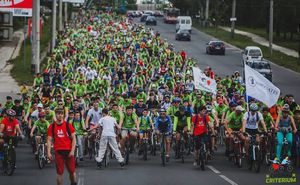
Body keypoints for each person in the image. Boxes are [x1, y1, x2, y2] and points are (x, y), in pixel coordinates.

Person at [47, 108, 77, 185]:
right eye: (58, 114)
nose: (60, 115)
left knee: (72, 171)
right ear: (55, 115)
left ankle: (73, 183)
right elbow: (49, 140)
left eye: (61, 114)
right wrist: (48, 153)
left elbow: (74, 138)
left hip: (69, 151)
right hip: (58, 152)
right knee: (59, 173)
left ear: (63, 115)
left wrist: (72, 151)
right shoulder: (52, 126)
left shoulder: (68, 125)